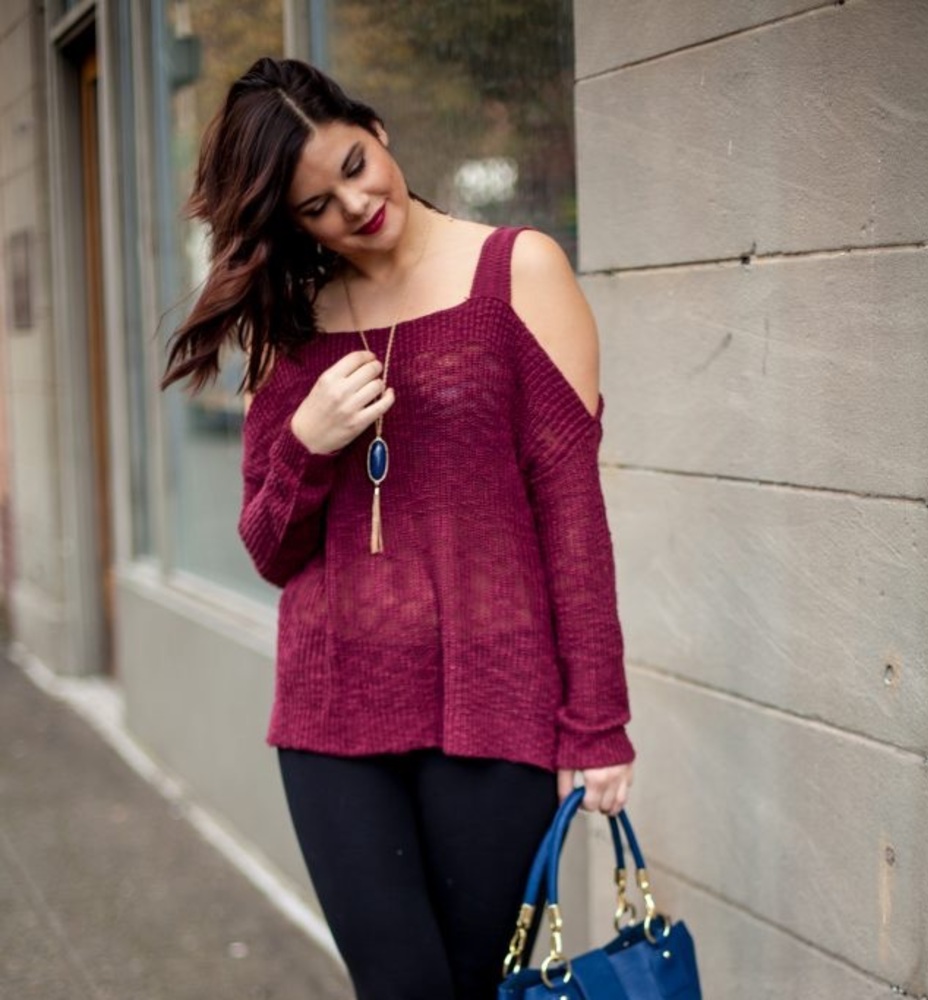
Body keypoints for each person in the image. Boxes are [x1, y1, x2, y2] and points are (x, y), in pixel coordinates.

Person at [162, 56, 635, 1000]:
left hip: (492, 705)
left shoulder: (518, 270)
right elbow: (269, 549)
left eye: (350, 165)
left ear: (376, 133)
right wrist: (306, 440)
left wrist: (600, 723)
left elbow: (573, 514)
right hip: (333, 715)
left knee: (472, 982)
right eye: (314, 206)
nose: (352, 205)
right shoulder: (292, 325)